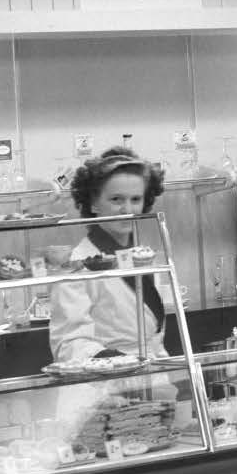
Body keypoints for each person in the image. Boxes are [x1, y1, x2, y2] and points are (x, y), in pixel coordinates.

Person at [48, 146, 174, 363]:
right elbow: (69, 345)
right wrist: (122, 363)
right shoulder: (76, 264)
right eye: (116, 199)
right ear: (93, 203)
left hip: (152, 373)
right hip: (103, 386)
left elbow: (153, 335)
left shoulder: (142, 256)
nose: (128, 209)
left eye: (136, 199)